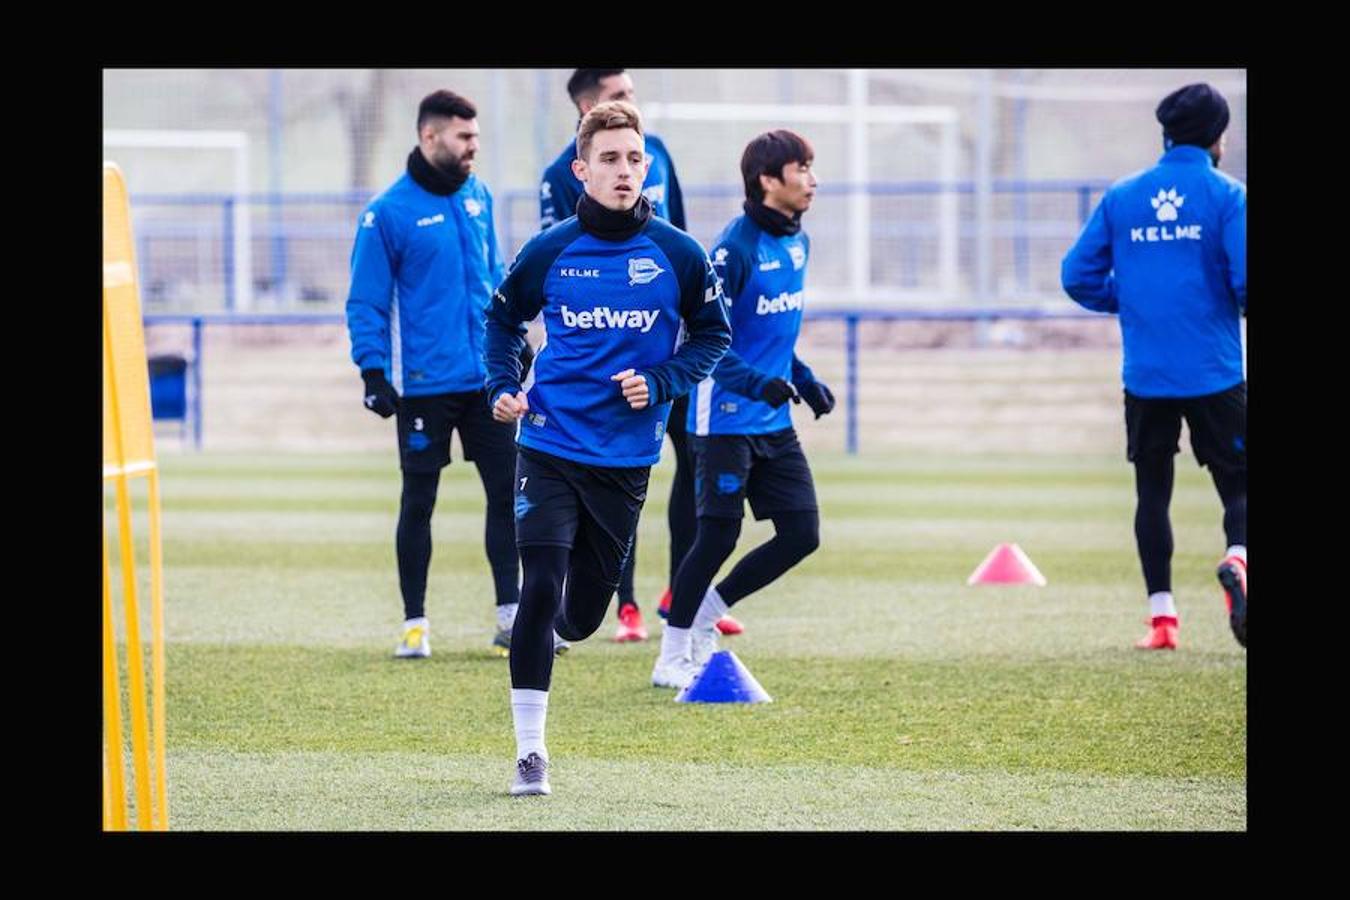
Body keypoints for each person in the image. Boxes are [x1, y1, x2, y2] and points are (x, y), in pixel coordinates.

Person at [486, 101, 731, 795]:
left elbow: (713, 337)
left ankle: (569, 611)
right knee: (539, 589)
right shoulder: (550, 249)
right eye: (610, 159)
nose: (624, 171)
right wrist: (503, 384)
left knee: (582, 615)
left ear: (645, 166)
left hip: (624, 463)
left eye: (634, 159)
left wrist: (660, 382)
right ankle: (530, 752)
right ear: (581, 169)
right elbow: (502, 321)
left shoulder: (679, 254)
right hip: (548, 442)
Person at [346, 90, 562, 660]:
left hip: (488, 381)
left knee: (509, 495)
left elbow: (496, 280)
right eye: (464, 137)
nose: (474, 147)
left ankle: (511, 618)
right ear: (430, 137)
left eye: (476, 137)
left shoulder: (479, 196)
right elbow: (367, 300)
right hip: (425, 384)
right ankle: (415, 623)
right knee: (419, 501)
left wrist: (516, 342)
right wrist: (372, 370)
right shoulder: (387, 212)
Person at [539, 68, 742, 643]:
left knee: (694, 462)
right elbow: (555, 259)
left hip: (668, 354)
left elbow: (675, 233)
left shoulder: (659, 155)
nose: (632, 101)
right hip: (604, 356)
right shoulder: (559, 174)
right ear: (586, 107)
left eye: (632, 93)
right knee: (610, 472)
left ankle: (684, 591)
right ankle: (621, 603)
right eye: (618, 95)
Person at [1061, 82, 1246, 650]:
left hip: (1146, 375)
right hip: (1214, 371)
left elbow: (1077, 275)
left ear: (1164, 133)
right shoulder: (1228, 195)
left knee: (1152, 492)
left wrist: (1134, 296)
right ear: (1219, 137)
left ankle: (1162, 620)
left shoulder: (1123, 196)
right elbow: (1245, 281)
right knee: (1240, 489)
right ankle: (1238, 559)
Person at [652, 129, 835, 689]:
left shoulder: (798, 243)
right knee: (717, 536)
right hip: (723, 418)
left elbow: (774, 333)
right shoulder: (733, 250)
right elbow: (709, 340)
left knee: (802, 532)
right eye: (801, 168)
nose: (812, 179)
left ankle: (708, 611)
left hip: (772, 419)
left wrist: (803, 377)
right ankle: (671, 653)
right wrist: (759, 384)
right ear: (767, 181)